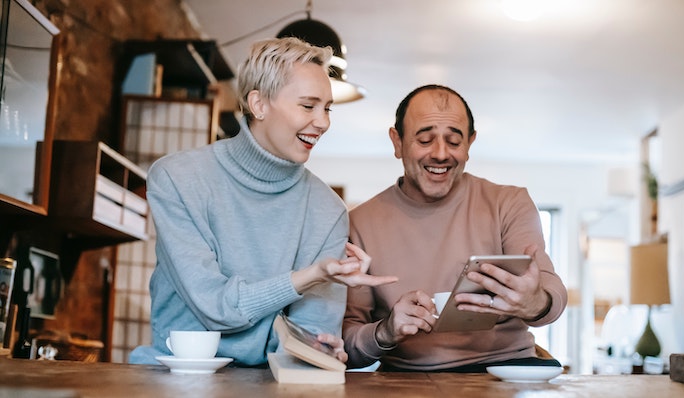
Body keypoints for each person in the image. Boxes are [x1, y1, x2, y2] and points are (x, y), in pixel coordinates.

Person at [129, 37, 396, 366]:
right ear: (258, 104)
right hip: (177, 377)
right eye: (308, 106)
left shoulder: (327, 210)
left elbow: (310, 334)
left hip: (273, 381)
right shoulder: (177, 178)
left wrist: (319, 349)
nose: (324, 122)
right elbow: (215, 308)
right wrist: (310, 275)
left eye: (327, 109)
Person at [343, 84, 567, 372]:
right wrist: (385, 331)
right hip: (409, 378)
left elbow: (551, 291)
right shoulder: (360, 223)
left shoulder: (509, 203)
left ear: (470, 144)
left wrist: (534, 302)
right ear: (397, 142)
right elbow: (347, 343)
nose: (440, 154)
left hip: (505, 368)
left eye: (454, 141)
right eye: (424, 140)